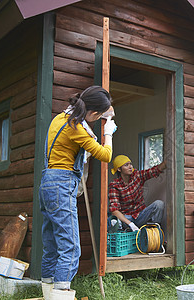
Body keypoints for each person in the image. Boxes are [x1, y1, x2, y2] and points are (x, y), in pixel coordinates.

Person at [39, 86, 117, 300]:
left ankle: (48, 291)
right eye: (98, 115)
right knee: (71, 246)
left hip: (47, 182)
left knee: (51, 243)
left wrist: (107, 114)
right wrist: (108, 133)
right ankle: (61, 292)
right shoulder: (77, 128)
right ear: (92, 113)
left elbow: (89, 119)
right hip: (62, 184)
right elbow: (105, 154)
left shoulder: (60, 119)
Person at [108, 155, 166, 232]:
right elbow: (114, 210)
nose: (130, 167)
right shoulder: (114, 185)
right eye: (126, 165)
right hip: (127, 219)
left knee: (159, 204)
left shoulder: (137, 176)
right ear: (119, 169)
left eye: (130, 164)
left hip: (141, 215)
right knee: (113, 220)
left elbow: (153, 171)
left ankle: (155, 232)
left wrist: (167, 162)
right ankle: (124, 237)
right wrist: (130, 224)